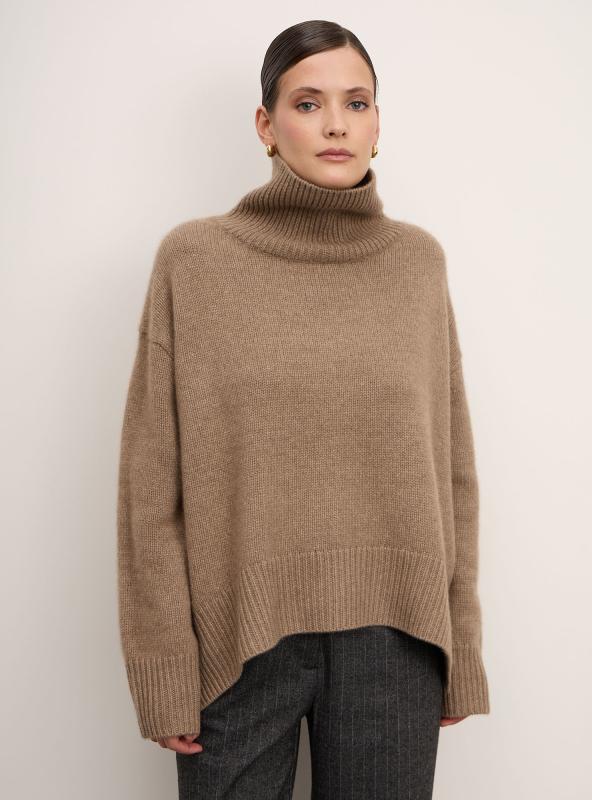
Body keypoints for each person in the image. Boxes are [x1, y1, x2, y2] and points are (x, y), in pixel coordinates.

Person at [116, 19, 491, 799]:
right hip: (236, 646)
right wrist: (162, 664)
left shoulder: (417, 265)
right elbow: (151, 487)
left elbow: (452, 470)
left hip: (397, 643)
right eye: (308, 103)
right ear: (266, 124)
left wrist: (460, 645)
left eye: (356, 103)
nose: (335, 125)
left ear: (378, 123)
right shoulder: (195, 261)